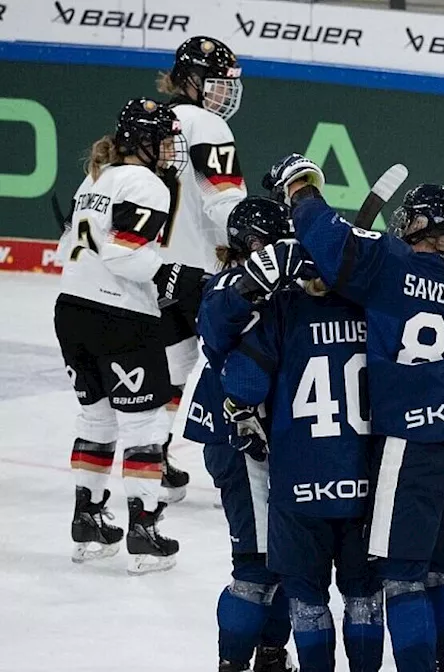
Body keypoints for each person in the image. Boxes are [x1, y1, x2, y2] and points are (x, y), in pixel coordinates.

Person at [266, 153, 444, 671]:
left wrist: (302, 190)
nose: (401, 223)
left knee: (403, 578)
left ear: (424, 224)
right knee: (441, 570)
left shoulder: (393, 262)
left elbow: (331, 238)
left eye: (411, 217)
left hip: (412, 446)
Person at [56, 98, 203, 574]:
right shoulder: (144, 182)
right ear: (140, 140)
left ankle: (89, 519)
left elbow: (67, 247)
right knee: (145, 425)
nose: (167, 150)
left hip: (71, 307)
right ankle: (145, 529)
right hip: (119, 317)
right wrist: (184, 278)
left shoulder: (96, 176)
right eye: (161, 140)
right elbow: (127, 257)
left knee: (95, 418)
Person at [221, 263, 384, 672]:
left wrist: (242, 416)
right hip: (366, 483)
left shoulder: (282, 308)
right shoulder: (373, 308)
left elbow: (244, 384)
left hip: (300, 483)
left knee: (308, 600)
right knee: (363, 597)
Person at [184, 197, 302, 671]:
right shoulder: (232, 284)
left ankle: (272, 654)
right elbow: (216, 324)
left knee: (283, 562)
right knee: (255, 565)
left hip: (268, 438)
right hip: (237, 441)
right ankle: (233, 664)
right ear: (254, 244)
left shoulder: (273, 284)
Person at [154, 35, 249, 503]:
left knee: (175, 365)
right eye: (215, 83)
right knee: (243, 356)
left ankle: (149, 456)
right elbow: (223, 201)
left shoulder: (151, 121)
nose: (223, 94)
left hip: (153, 268)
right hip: (202, 272)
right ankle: (249, 458)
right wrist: (255, 237)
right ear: (190, 80)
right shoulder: (208, 125)